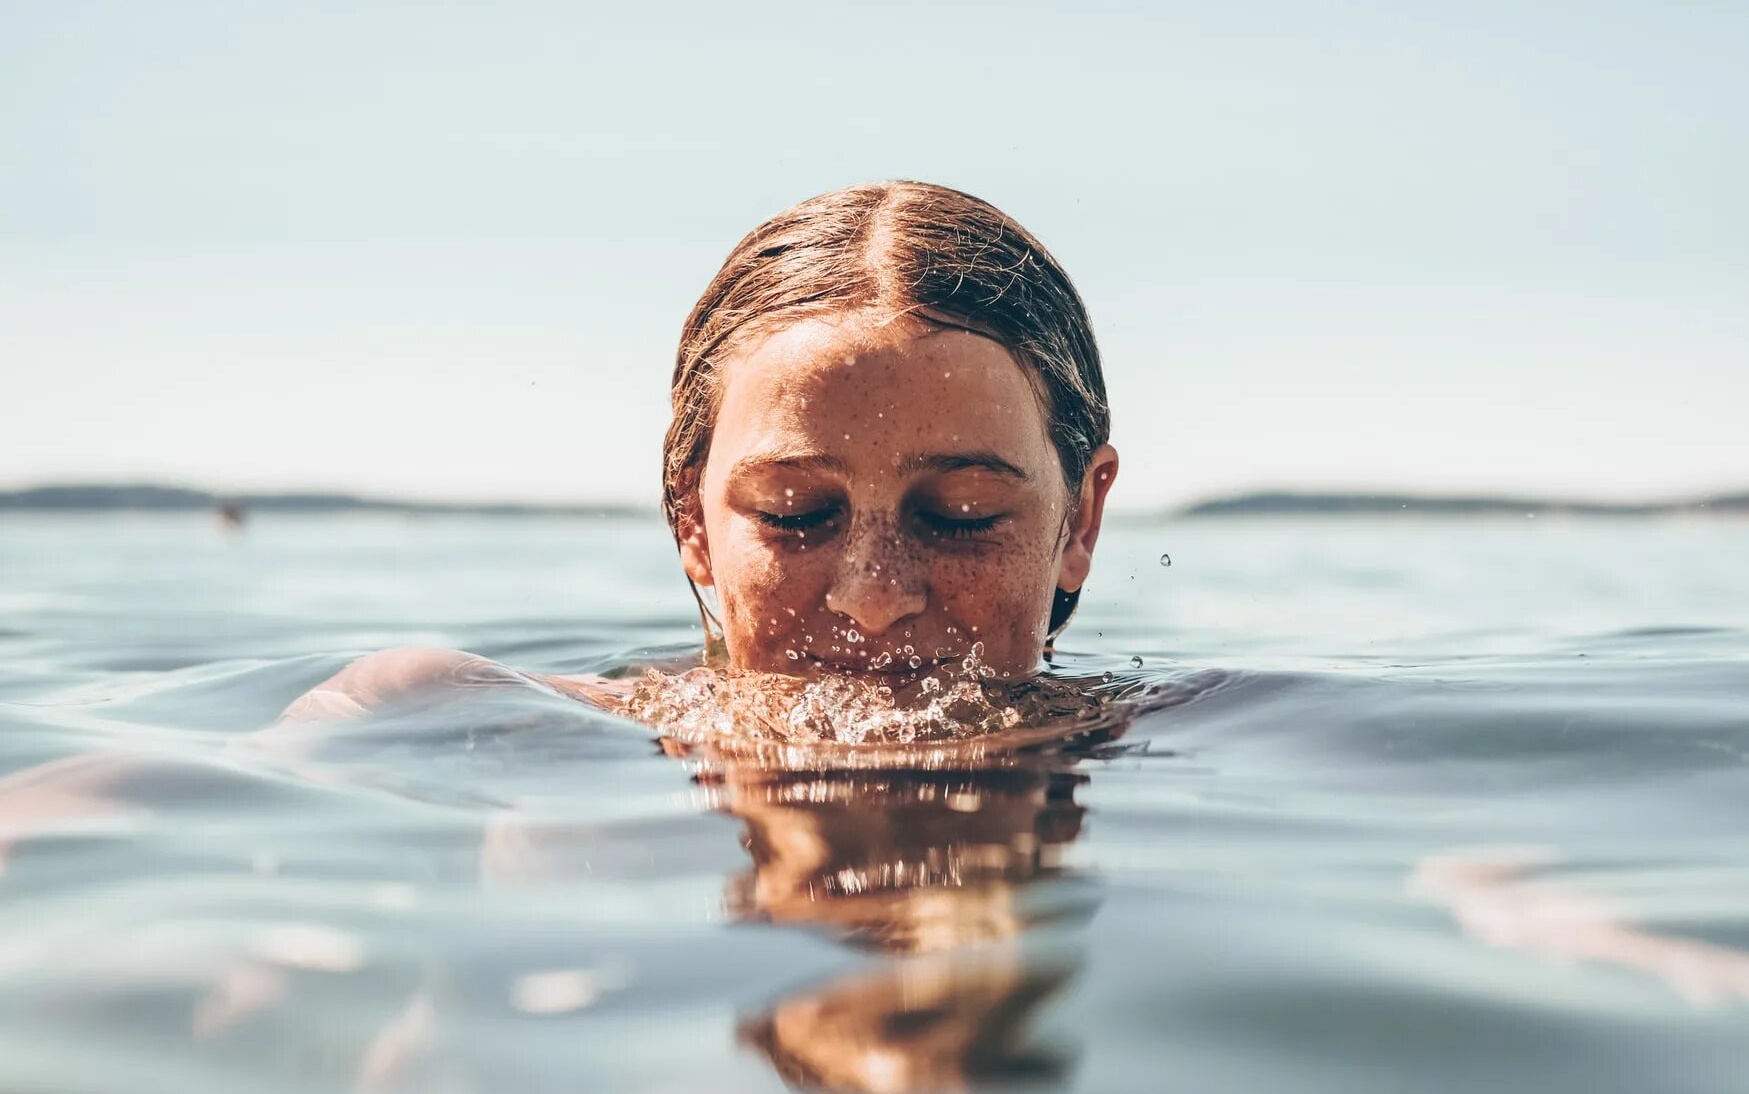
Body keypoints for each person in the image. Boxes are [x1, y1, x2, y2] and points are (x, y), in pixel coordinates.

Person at [278, 180, 1122, 730]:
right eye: (796, 514)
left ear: (1079, 521)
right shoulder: (451, 714)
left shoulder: (1193, 738)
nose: (873, 596)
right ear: (693, 522)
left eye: (959, 514)